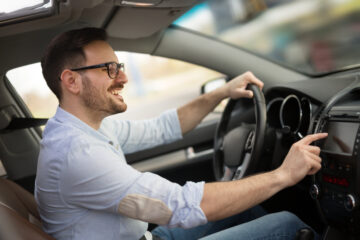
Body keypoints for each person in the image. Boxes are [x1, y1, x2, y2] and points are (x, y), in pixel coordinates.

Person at [35, 27, 327, 240]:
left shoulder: (87, 127)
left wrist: (221, 93)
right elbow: (184, 205)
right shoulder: (77, 155)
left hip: (148, 237)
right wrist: (284, 175)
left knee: (246, 209)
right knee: (289, 226)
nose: (122, 77)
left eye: (120, 67)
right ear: (72, 81)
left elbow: (164, 128)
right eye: (109, 69)